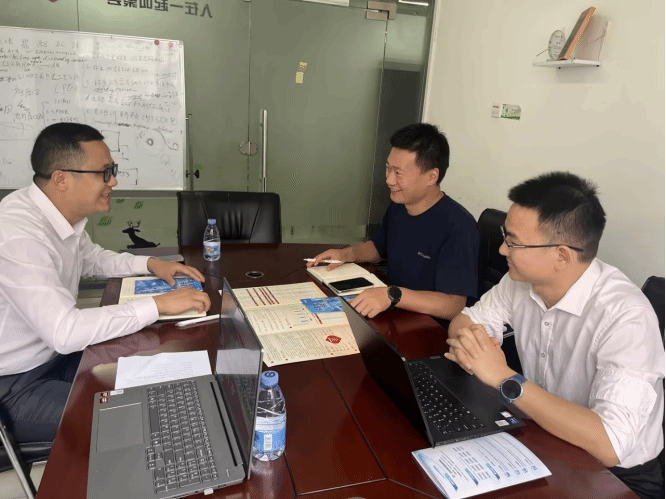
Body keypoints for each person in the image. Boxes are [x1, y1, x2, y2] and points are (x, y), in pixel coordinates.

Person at [445, 172, 664, 499]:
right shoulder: (521, 282)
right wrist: (475, 347)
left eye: (513, 242)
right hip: (545, 436)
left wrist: (504, 378)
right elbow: (464, 321)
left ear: (562, 255)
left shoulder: (625, 316)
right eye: (506, 236)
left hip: (617, 477)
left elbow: (611, 443)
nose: (503, 249)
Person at [0, 122, 211, 443]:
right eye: (105, 172)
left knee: (147, 360)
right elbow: (65, 332)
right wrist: (158, 304)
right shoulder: (18, 234)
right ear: (62, 179)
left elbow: (93, 258)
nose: (113, 181)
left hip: (56, 358)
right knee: (139, 418)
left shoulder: (55, 214)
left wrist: (151, 264)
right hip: (15, 383)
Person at [309, 123, 479, 321]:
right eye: (388, 168)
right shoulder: (399, 206)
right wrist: (346, 254)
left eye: (398, 173)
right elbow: (378, 248)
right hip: (393, 312)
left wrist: (393, 295)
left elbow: (453, 305)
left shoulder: (459, 226)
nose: (389, 180)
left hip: (428, 326)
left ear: (432, 176)